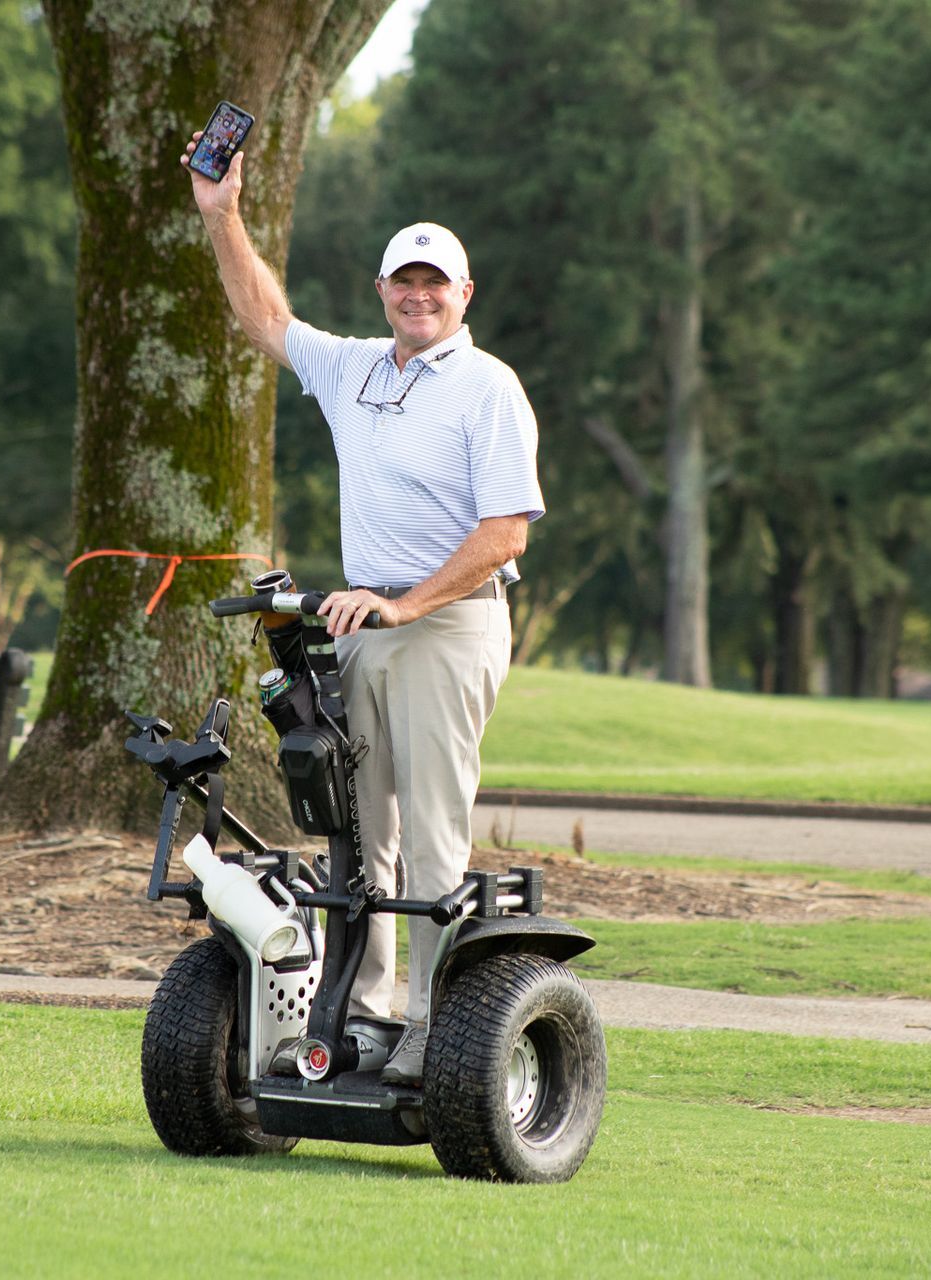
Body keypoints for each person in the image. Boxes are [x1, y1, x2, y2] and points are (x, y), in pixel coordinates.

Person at [181, 137, 545, 1085]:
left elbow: (506, 533)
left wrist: (404, 604)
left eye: (435, 283)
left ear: (464, 294)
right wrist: (222, 213)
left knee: (430, 835)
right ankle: (368, 1016)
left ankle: (436, 1028)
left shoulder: (487, 387)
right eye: (403, 282)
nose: (419, 296)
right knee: (357, 832)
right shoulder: (356, 370)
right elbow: (266, 318)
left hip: (447, 625)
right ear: (382, 290)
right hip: (363, 631)